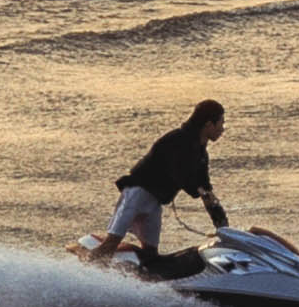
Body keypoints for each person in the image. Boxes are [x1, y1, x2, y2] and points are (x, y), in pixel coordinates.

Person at [83, 99, 229, 272]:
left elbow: (206, 190)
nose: (222, 129)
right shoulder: (178, 141)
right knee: (111, 244)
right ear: (208, 124)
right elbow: (183, 177)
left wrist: (223, 227)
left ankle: (130, 278)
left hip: (154, 203)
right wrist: (200, 190)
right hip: (137, 195)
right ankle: (83, 273)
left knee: (151, 255)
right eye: (221, 123)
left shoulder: (201, 152)